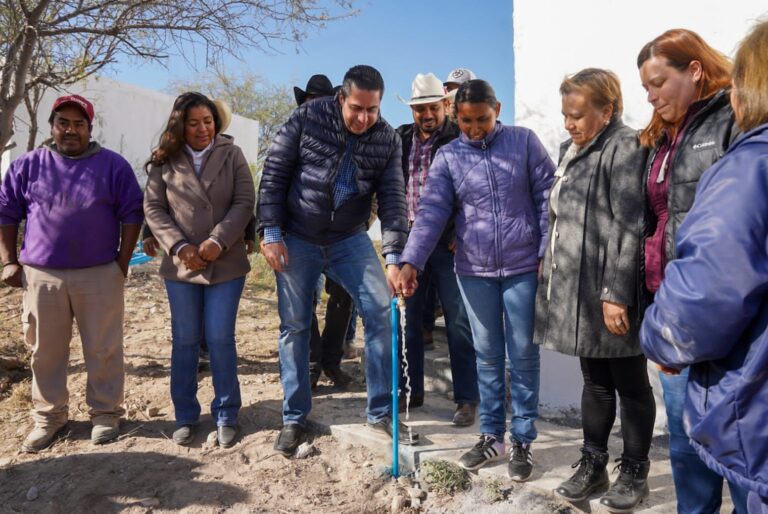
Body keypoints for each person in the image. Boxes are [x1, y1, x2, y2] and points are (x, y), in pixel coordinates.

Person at [641, 20, 768, 513]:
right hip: (685, 309)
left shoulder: (739, 142)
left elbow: (720, 271)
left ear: (695, 71)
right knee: (688, 445)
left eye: (657, 83)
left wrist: (665, 333)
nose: (650, 96)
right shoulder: (662, 139)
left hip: (717, 340)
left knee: (734, 459)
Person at [258, 65, 418, 458]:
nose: (364, 118)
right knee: (294, 325)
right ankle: (294, 416)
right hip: (298, 235)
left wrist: (394, 257)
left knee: (380, 312)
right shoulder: (307, 118)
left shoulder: (386, 139)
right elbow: (275, 173)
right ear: (340, 99)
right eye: (356, 108)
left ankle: (380, 412)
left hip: (349, 238)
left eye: (373, 109)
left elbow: (395, 199)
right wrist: (271, 231)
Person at [397, 79, 554, 480]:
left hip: (522, 267)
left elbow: (547, 198)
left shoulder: (523, 142)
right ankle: (491, 436)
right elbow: (431, 211)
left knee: (522, 356)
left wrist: (543, 254)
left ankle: (522, 440)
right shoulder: (448, 157)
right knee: (486, 355)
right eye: (465, 121)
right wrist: (411, 261)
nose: (474, 129)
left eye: (482, 119)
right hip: (473, 270)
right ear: (455, 115)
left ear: (497, 109)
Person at [533, 69, 654, 511]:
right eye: (566, 115)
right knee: (595, 381)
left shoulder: (625, 146)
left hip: (610, 291)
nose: (570, 124)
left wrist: (616, 292)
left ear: (608, 109)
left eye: (579, 115)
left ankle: (635, 470)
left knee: (630, 382)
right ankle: (593, 464)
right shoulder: (572, 150)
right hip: (580, 289)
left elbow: (629, 225)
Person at [0, 94, 143, 451]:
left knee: (104, 347)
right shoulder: (28, 165)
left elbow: (132, 215)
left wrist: (121, 264)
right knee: (44, 350)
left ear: (89, 129)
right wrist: (8, 261)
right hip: (41, 274)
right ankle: (49, 417)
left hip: (99, 273)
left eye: (79, 124)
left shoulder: (113, 166)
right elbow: (6, 213)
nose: (70, 130)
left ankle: (106, 413)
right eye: (63, 122)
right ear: (52, 127)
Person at [144, 92, 255, 448]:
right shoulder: (164, 160)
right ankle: (185, 414)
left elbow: (244, 201)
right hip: (182, 266)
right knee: (186, 340)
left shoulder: (232, 154)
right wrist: (180, 247)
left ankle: (226, 413)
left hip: (226, 262)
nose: (202, 128)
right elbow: (154, 207)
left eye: (207, 121)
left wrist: (216, 241)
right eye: (193, 123)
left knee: (221, 337)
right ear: (180, 125)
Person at [394, 72, 478, 425]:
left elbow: (474, 186)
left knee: (458, 322)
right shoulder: (399, 139)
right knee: (406, 320)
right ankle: (409, 392)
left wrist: (463, 227)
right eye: (419, 109)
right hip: (410, 239)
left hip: (446, 241)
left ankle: (466, 399)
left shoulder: (458, 137)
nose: (426, 115)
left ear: (445, 105)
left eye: (432, 107)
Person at [292, 74, 356, 390]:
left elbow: (365, 185)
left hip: (343, 237)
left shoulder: (351, 138)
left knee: (343, 299)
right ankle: (311, 365)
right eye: (310, 103)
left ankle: (331, 362)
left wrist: (360, 221)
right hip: (302, 235)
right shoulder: (291, 138)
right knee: (303, 301)